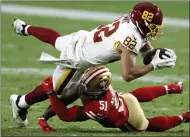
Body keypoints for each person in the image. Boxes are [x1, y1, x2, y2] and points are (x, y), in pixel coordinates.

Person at [10, 2, 177, 127]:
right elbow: (128, 74)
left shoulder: (131, 22)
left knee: (58, 40)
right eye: (154, 25)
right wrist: (153, 65)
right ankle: (20, 102)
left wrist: (156, 54)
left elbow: (144, 47)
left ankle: (26, 28)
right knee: (58, 89)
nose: (157, 29)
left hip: (84, 39)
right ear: (144, 22)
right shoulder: (131, 38)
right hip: (77, 58)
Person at [39, 66, 189, 132]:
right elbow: (67, 99)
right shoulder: (98, 86)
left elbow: (65, 115)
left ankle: (184, 117)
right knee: (133, 95)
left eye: (88, 85)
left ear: (97, 89)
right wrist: (43, 117)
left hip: (128, 118)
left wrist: (50, 93)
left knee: (147, 126)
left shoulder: (97, 108)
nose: (84, 86)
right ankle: (171, 88)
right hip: (124, 99)